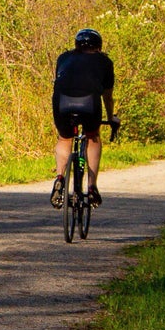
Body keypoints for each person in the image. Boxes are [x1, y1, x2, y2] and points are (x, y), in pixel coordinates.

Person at [50, 27, 119, 210]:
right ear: (98, 46)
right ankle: (91, 187)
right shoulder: (104, 61)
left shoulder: (63, 58)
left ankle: (59, 178)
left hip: (61, 101)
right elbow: (107, 96)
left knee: (65, 138)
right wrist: (111, 117)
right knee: (92, 137)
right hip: (89, 102)